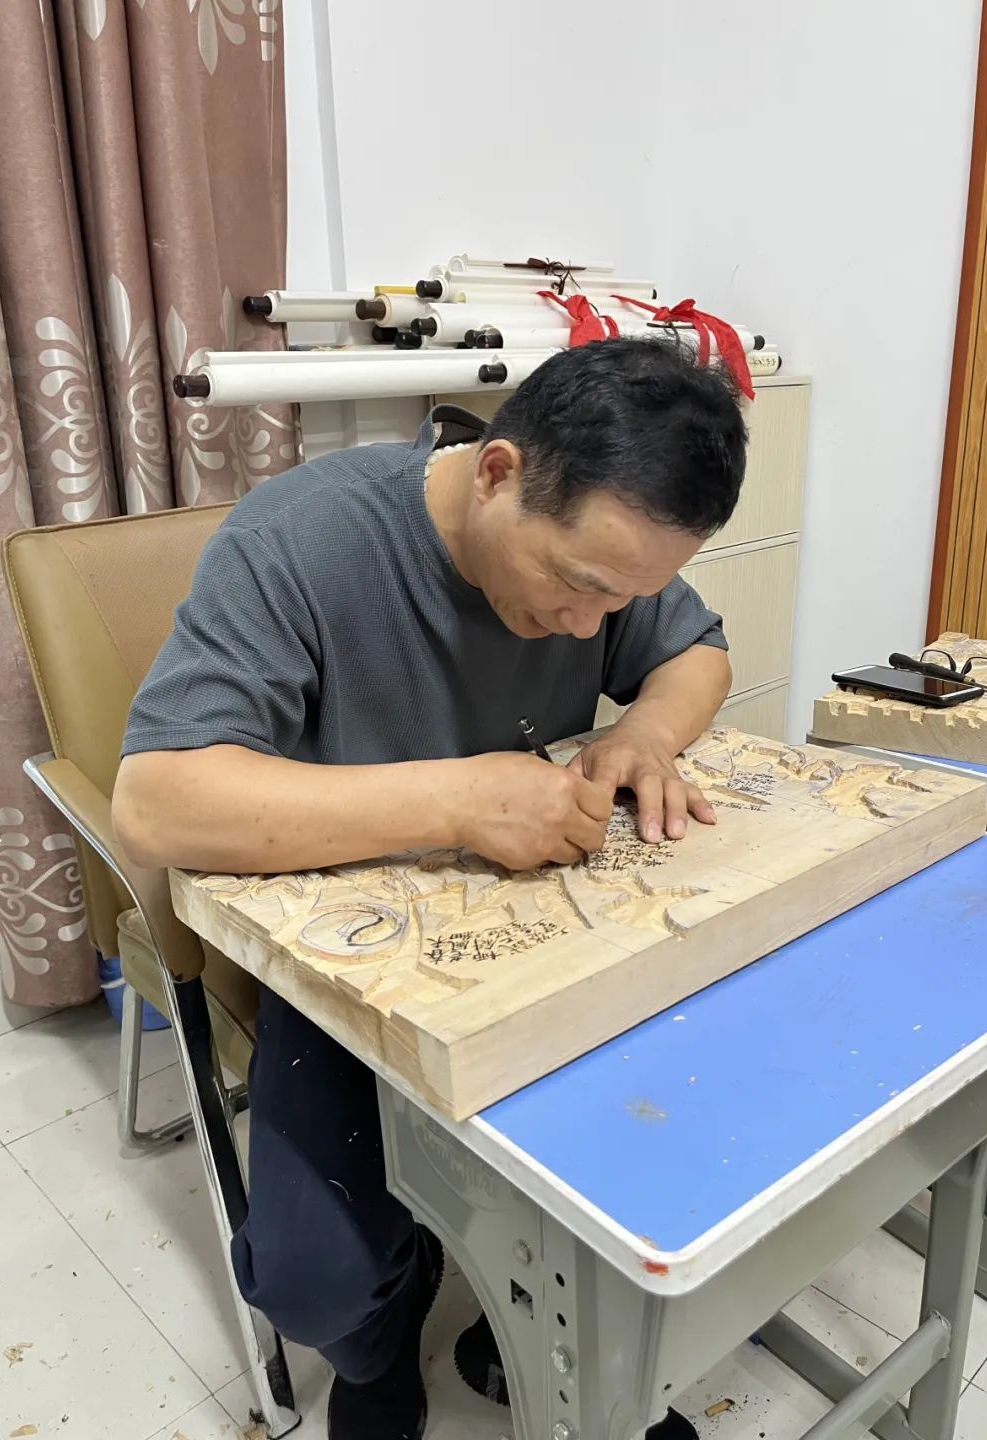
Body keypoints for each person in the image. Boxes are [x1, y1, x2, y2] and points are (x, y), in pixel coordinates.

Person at [113, 337, 748, 1440]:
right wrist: (456, 802)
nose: (591, 627)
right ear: (497, 472)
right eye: (578, 586)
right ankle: (387, 1329)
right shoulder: (301, 540)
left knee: (661, 1173)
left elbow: (697, 652)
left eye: (625, 600)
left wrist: (646, 732)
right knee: (313, 1282)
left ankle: (531, 1328)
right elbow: (156, 802)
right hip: (356, 970)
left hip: (549, 945)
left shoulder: (606, 545)